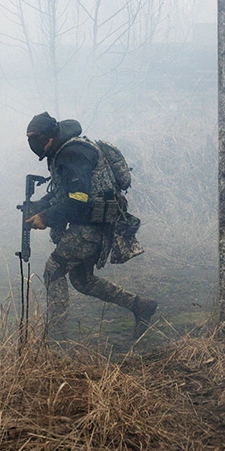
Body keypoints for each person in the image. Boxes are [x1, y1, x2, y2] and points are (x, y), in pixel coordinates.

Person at [24, 112, 157, 340]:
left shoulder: (72, 153)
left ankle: (55, 337)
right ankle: (140, 306)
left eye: (35, 139)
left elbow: (78, 199)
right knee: (82, 281)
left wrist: (45, 218)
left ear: (49, 138)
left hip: (90, 226)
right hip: (90, 222)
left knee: (53, 270)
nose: (33, 145)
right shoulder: (63, 149)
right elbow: (64, 191)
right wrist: (40, 205)